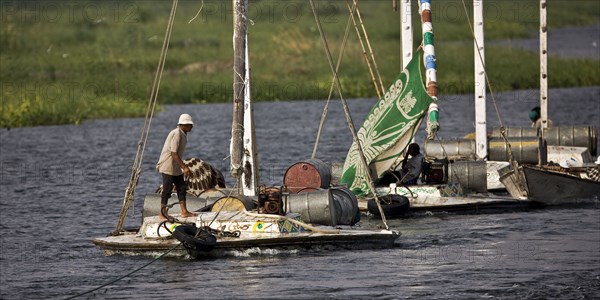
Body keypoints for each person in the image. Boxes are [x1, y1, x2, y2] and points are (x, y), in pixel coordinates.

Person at [156, 114, 198, 219]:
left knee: (181, 187)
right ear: (182, 125)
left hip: (175, 166)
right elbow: (173, 153)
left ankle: (184, 211)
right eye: (189, 125)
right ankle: (162, 213)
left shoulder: (182, 134)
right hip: (168, 164)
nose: (191, 127)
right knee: (167, 189)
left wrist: (181, 167)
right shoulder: (176, 134)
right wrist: (184, 167)